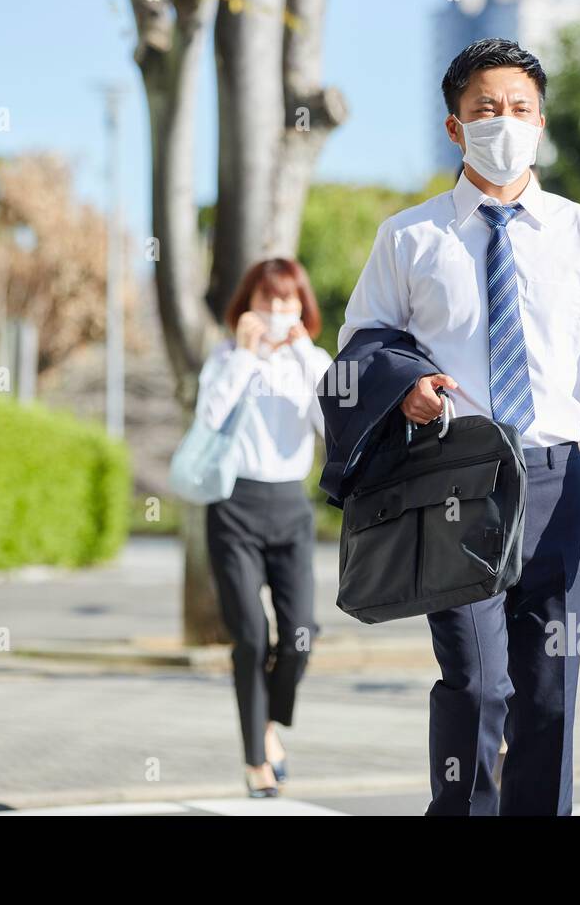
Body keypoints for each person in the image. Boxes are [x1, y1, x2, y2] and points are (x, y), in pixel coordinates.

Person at [338, 39, 580, 816]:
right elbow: (360, 345)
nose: (505, 122)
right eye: (486, 109)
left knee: (548, 694)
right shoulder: (410, 237)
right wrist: (405, 390)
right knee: (476, 684)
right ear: (456, 127)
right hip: (453, 482)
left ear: (542, 122)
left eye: (520, 109)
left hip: (561, 480)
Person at [196, 258, 331, 798]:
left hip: (290, 508)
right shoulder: (227, 357)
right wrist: (247, 357)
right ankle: (257, 757)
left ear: (302, 307)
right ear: (247, 305)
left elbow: (334, 424)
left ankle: (269, 722)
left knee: (300, 634)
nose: (277, 311)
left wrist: (299, 352)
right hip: (234, 506)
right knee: (251, 635)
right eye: (267, 300)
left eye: (288, 301)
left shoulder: (313, 360)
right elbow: (208, 417)